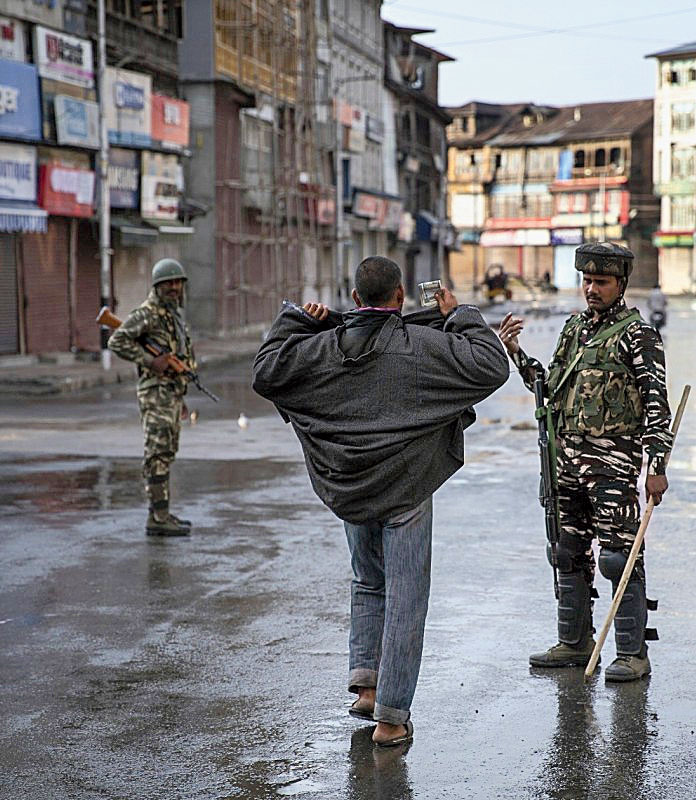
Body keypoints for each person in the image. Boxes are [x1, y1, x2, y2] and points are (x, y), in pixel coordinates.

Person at [252, 256, 508, 747]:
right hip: (406, 489)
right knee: (406, 597)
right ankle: (391, 718)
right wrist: (458, 314)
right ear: (400, 299)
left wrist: (297, 318)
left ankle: (366, 686)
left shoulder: (322, 348)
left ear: (353, 300)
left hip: (350, 486)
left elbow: (266, 370)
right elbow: (491, 364)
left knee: (368, 581)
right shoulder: (422, 346)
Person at [497, 242, 672, 683]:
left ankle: (632, 653)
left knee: (619, 557)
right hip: (567, 462)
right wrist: (516, 351)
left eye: (602, 282)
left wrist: (657, 468)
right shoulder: (574, 330)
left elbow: (657, 408)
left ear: (621, 284)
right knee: (567, 551)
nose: (591, 289)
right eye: (587, 281)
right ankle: (575, 643)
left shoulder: (639, 336)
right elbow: (548, 387)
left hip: (613, 464)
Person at [108, 258, 197, 537]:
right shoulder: (147, 313)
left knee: (167, 453)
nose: (174, 287)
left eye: (177, 283)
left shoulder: (173, 315)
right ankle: (157, 518)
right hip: (155, 394)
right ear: (157, 286)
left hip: (170, 394)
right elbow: (116, 341)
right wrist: (149, 360)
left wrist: (181, 397)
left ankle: (162, 513)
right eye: (168, 283)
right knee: (156, 453)